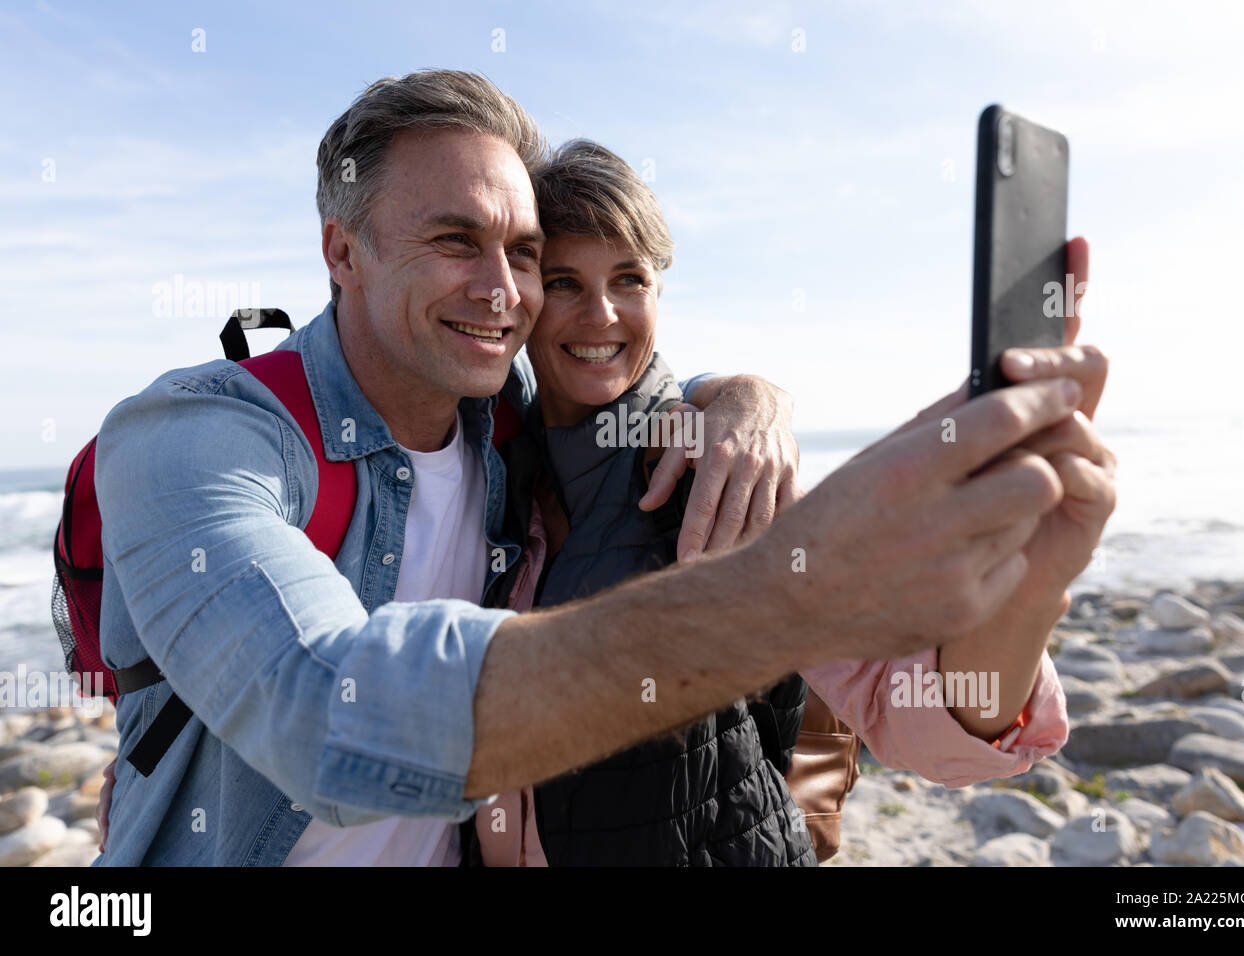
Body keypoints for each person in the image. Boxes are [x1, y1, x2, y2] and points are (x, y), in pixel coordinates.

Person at [92, 70, 1114, 866]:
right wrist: (785, 593)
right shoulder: (201, 433)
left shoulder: (630, 451)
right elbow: (325, 721)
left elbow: (930, 727)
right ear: (341, 250)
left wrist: (1025, 592)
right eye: (456, 240)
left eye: (523, 251)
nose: (505, 291)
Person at [465, 140, 1086, 866]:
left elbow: (920, 714)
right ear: (526, 293)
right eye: (566, 282)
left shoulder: (720, 470)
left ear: (659, 291)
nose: (600, 314)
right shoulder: (489, 456)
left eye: (629, 278)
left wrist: (1028, 586)